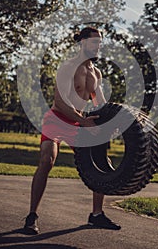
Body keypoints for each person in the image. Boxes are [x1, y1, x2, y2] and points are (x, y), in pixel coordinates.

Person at [24, 27, 121, 234]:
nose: (98, 46)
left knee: (101, 163)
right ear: (83, 43)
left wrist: (113, 123)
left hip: (78, 123)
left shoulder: (96, 73)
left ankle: (96, 215)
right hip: (57, 119)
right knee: (47, 160)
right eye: (95, 42)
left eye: (100, 43)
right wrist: (82, 121)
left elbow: (100, 104)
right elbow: (60, 102)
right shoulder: (68, 66)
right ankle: (32, 216)